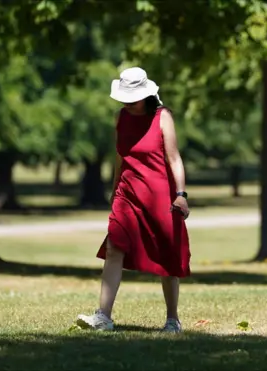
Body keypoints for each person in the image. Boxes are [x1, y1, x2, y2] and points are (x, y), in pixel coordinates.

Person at [75, 67, 191, 333]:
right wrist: (115, 189)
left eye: (133, 98)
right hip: (127, 194)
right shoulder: (121, 118)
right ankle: (103, 316)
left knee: (167, 255)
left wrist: (181, 195)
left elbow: (174, 158)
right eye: (125, 98)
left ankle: (172, 319)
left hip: (160, 195)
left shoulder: (163, 118)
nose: (128, 103)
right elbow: (120, 156)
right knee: (115, 247)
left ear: (147, 95)